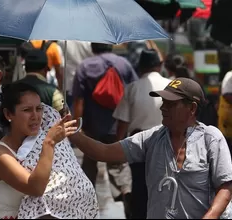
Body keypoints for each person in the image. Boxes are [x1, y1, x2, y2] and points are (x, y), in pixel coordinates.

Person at [69, 77, 232, 219]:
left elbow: (225, 186)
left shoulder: (211, 138)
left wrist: (210, 217)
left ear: (192, 108)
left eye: (171, 104)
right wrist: (71, 133)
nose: (163, 108)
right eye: (163, 102)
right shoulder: (152, 138)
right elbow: (104, 152)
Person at [0, 82, 80, 219]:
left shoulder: (38, 146)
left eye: (39, 108)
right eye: (27, 110)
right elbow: (35, 188)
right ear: (8, 114)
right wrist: (50, 142)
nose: (35, 116)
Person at [112, 48, 171, 218]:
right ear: (159, 66)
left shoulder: (132, 88)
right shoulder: (171, 86)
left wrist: (118, 147)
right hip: (167, 145)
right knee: (165, 186)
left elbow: (122, 123)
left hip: (138, 147)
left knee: (140, 187)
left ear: (141, 67)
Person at [72, 42, 138, 189]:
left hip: (92, 126)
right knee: (117, 164)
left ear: (92, 48)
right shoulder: (124, 64)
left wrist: (78, 126)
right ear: (111, 46)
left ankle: (87, 194)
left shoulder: (85, 66)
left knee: (89, 162)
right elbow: (134, 90)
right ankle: (124, 192)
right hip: (118, 125)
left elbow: (79, 100)